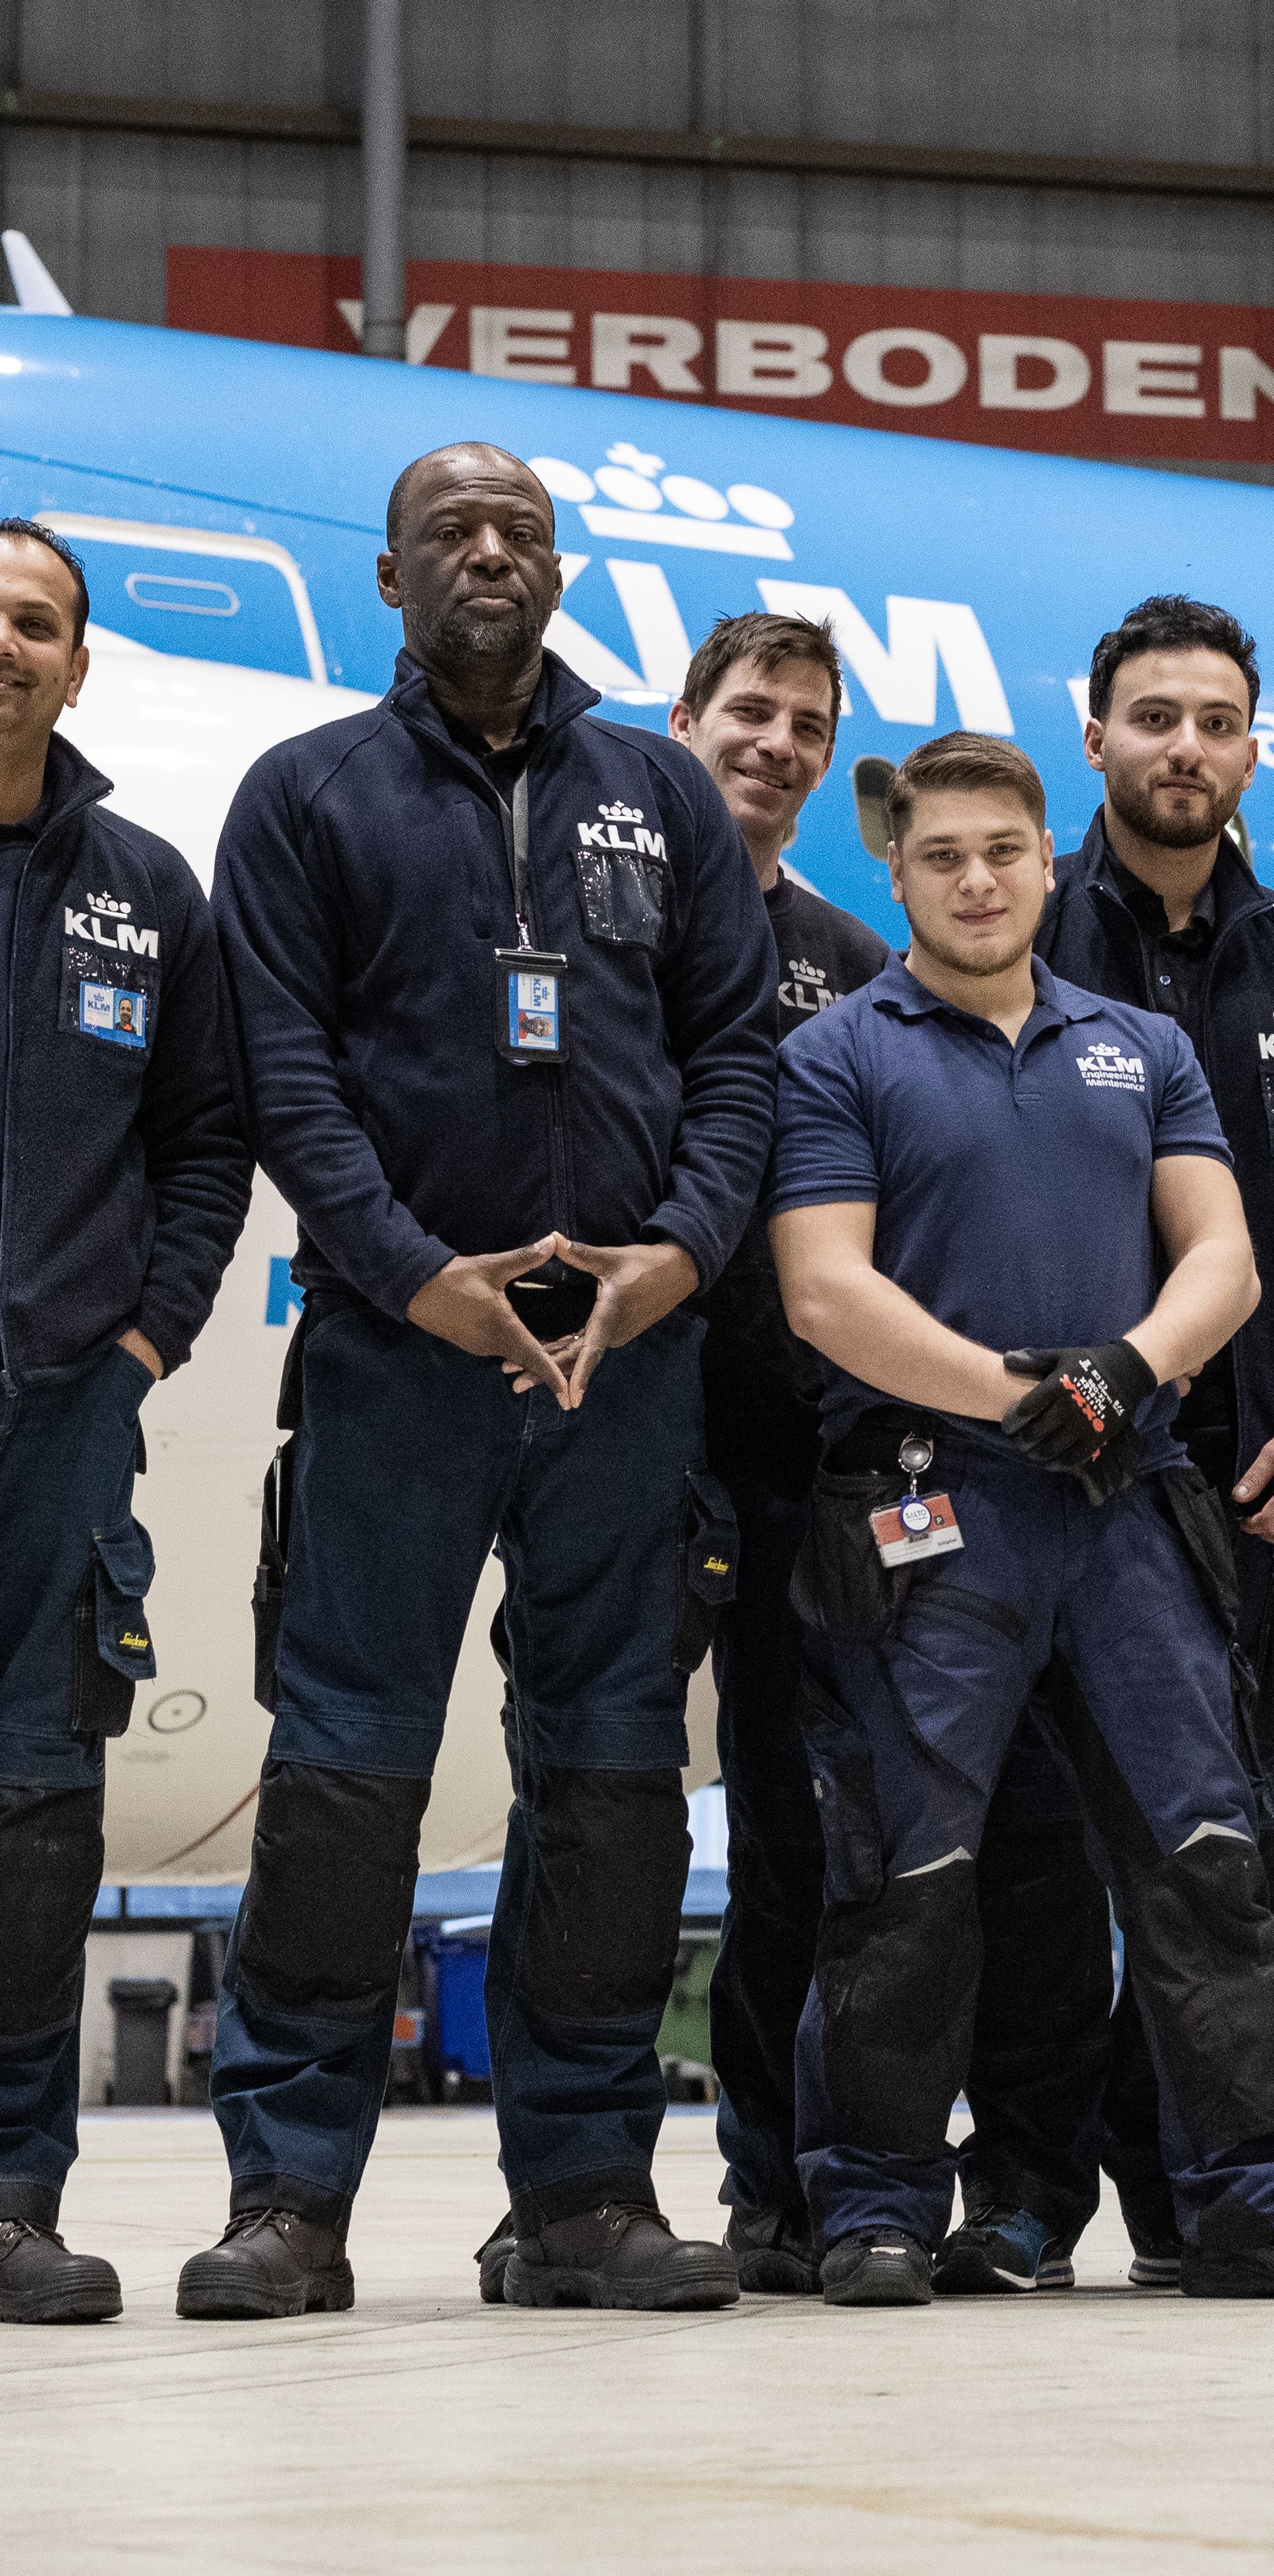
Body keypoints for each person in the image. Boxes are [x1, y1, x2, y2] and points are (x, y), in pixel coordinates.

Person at [187, 443, 777, 2319]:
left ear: (559, 568)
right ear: (390, 579)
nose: (492, 554)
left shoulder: (659, 797)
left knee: (612, 1780)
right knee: (344, 1771)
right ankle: (290, 2195)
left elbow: (740, 1066)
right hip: (400, 1353)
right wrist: (416, 1276)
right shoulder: (307, 796)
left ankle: (587, 2192)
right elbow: (285, 1075)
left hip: (626, 1362)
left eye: (522, 530)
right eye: (452, 533)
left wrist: (675, 1256)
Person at [766, 728, 1274, 2307]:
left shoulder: (1141, 1044)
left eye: (1003, 850)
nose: (977, 880)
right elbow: (821, 1286)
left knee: (1209, 1860)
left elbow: (1225, 1256)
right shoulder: (840, 1053)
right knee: (905, 1876)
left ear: (1046, 855)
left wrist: (1127, 1371)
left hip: (1130, 1507)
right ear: (899, 870)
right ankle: (869, 2207)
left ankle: (1251, 2209)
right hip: (939, 1517)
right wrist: (1021, 1395)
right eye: (942, 857)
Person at [941, 595, 1274, 2297]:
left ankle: (1201, 2192)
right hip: (1042, 1490)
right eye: (1154, 718)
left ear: (1252, 748)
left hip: (1248, 1500)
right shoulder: (1012, 934)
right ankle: (1026, 2191)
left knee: (1216, 1866)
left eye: (1215, 720)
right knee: (1044, 1861)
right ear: (1098, 737)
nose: (1185, 748)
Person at [0, 521, 252, 2325]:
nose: (4, 644)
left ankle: (15, 2196)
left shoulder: (145, 890)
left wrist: (148, 1338)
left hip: (65, 1409)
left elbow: (207, 1140)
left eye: (35, 623)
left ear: (81, 667)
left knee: (35, 1811)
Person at [669, 610, 888, 2294]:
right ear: (690, 717)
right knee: (592, 1801)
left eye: (809, 724)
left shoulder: (844, 955)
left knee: (792, 1830)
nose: (779, 743)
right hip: (609, 1422)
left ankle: (775, 2175)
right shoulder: (602, 899)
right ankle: (571, 2175)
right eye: (753, 711)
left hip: (780, 1446)